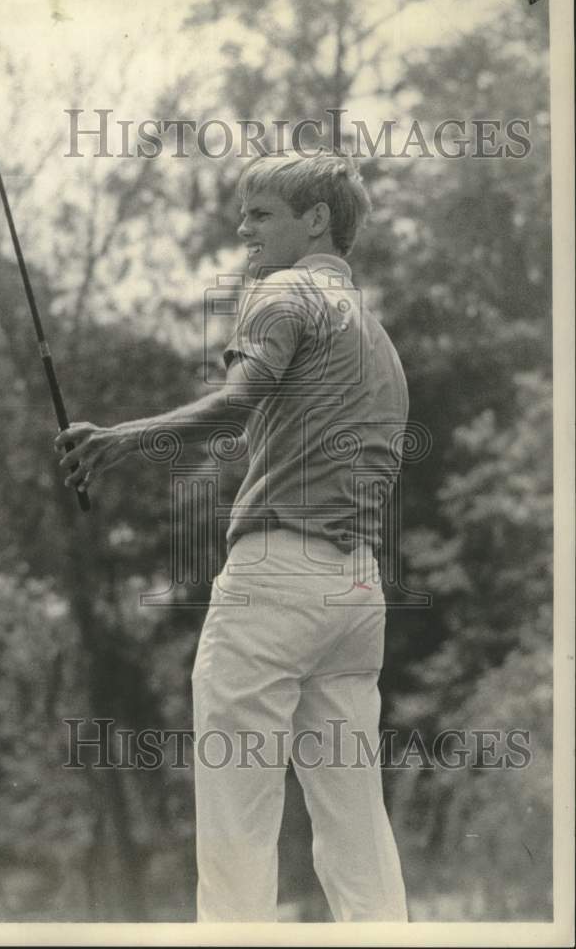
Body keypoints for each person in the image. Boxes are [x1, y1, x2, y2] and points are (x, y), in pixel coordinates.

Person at [54, 151, 409, 923]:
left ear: (316, 219)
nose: (240, 227)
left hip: (274, 580)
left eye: (260, 213)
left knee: (235, 816)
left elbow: (235, 402)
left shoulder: (281, 293)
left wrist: (120, 439)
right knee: (353, 821)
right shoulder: (377, 338)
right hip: (356, 593)